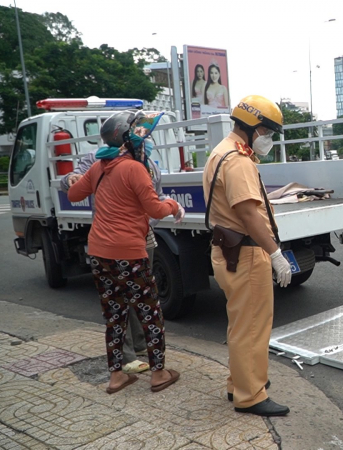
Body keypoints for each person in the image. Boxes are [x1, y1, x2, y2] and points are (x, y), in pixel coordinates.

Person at [68, 110, 185, 394]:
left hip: (99, 253)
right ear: (127, 138)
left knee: (114, 314)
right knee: (150, 312)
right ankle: (158, 374)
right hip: (129, 253)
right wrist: (173, 205)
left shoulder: (99, 167)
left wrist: (76, 178)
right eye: (139, 134)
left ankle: (117, 376)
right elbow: (155, 209)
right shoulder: (134, 168)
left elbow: (73, 195)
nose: (143, 138)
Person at [202, 94, 292, 416]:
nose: (268, 139)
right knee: (253, 326)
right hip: (246, 254)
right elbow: (248, 213)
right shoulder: (238, 160)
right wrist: (276, 253)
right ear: (253, 127)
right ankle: (251, 396)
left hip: (228, 250)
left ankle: (237, 384)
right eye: (267, 132)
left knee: (240, 324)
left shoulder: (220, 153)